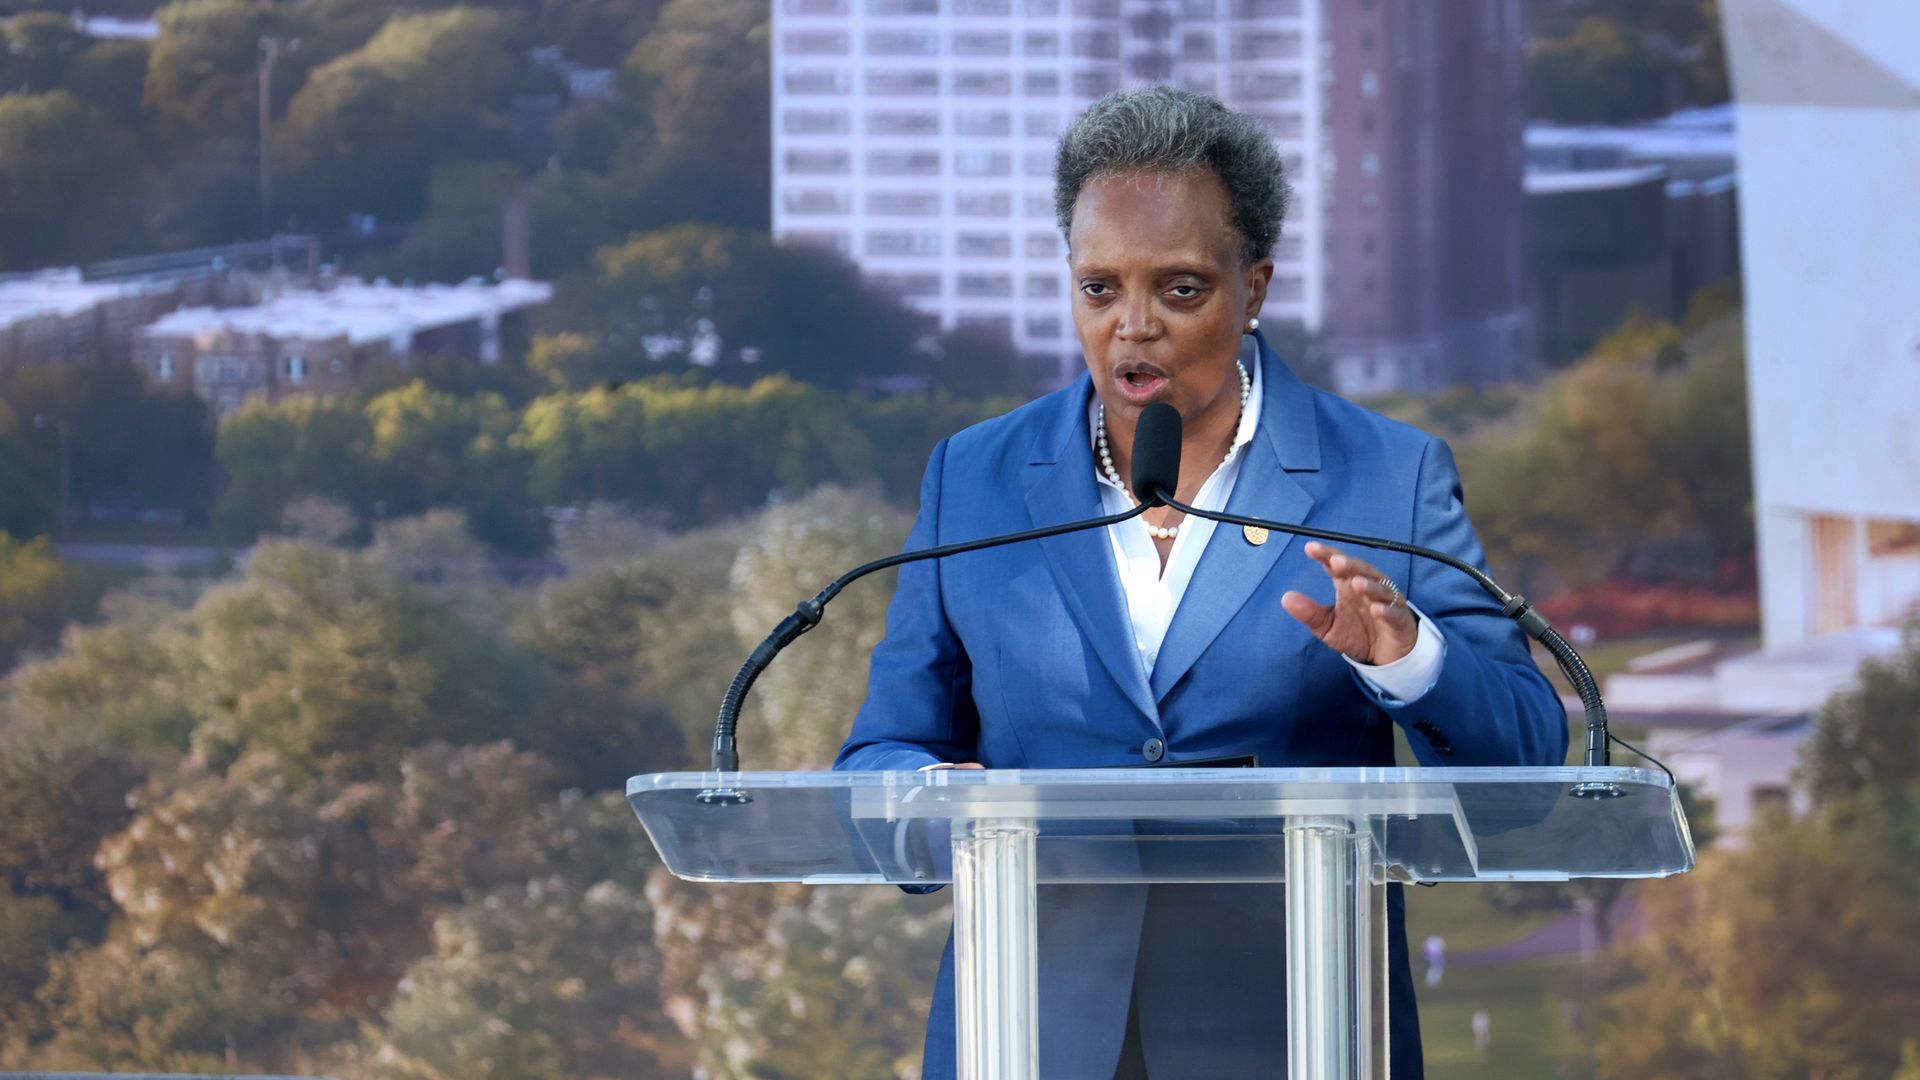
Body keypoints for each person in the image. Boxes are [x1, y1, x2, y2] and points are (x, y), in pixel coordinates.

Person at [835, 87, 1567, 1079]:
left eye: (1179, 289)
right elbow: (877, 750)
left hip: (1300, 1030)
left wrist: (1409, 659)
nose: (1134, 328)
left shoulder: (1387, 478)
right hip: (1028, 1034)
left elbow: (1526, 766)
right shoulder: (974, 477)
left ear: (1253, 286)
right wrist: (931, 796)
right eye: (1100, 289)